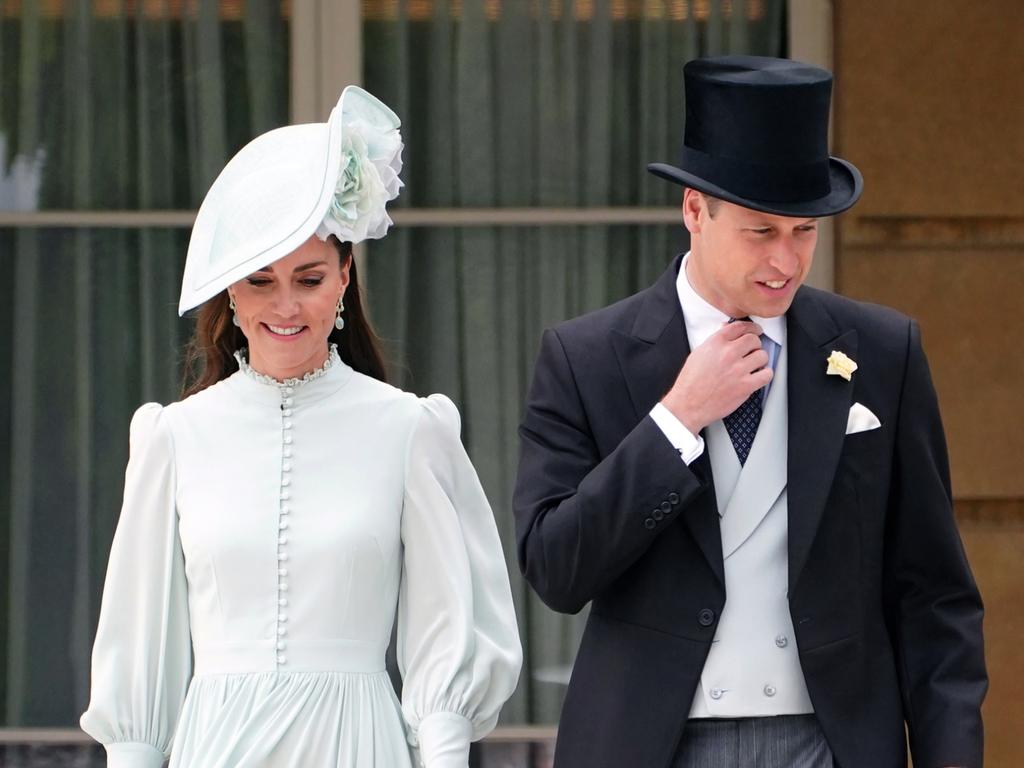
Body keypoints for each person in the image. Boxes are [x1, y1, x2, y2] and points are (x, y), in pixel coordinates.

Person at [513, 56, 986, 768]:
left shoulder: (884, 351)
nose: (786, 262)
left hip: (832, 744)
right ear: (695, 211)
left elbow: (933, 595)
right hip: (654, 746)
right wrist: (676, 419)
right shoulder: (586, 357)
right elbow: (556, 571)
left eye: (804, 232)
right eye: (762, 232)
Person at [80, 85, 522, 768]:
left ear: (345, 277)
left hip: (359, 747)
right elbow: (139, 645)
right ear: (230, 289)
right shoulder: (173, 438)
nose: (284, 305)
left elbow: (446, 627)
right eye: (259, 280)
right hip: (216, 748)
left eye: (308, 278)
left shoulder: (410, 429)